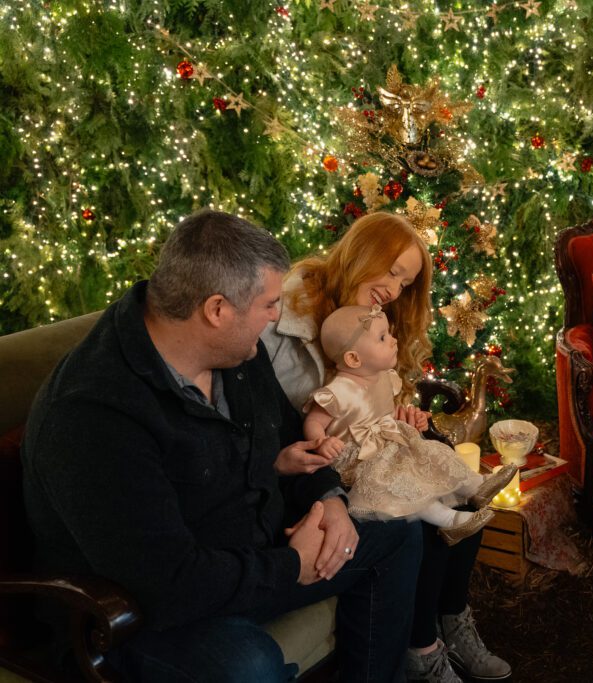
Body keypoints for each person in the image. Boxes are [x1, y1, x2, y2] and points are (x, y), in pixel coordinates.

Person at [21, 210, 422, 682]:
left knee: (398, 534)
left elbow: (291, 433)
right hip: (141, 614)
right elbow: (168, 583)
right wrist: (292, 565)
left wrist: (330, 499)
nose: (277, 317)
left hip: (249, 555)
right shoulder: (93, 413)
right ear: (217, 310)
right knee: (249, 666)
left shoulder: (235, 352)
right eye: (269, 304)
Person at [261, 211, 513, 682]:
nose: (396, 290)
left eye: (406, 282)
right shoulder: (285, 315)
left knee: (456, 481)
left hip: (369, 444)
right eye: (393, 272)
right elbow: (272, 417)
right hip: (321, 467)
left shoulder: (376, 318)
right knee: (413, 512)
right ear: (364, 254)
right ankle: (422, 646)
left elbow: (377, 393)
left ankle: (452, 615)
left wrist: (402, 414)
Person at [305, 304, 517, 541]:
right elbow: (314, 421)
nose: (393, 340)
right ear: (354, 358)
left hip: (390, 444)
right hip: (362, 459)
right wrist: (321, 441)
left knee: (435, 453)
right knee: (406, 485)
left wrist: (407, 417)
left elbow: (383, 412)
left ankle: (476, 486)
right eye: (383, 337)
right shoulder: (339, 390)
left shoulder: (384, 377)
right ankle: (449, 521)